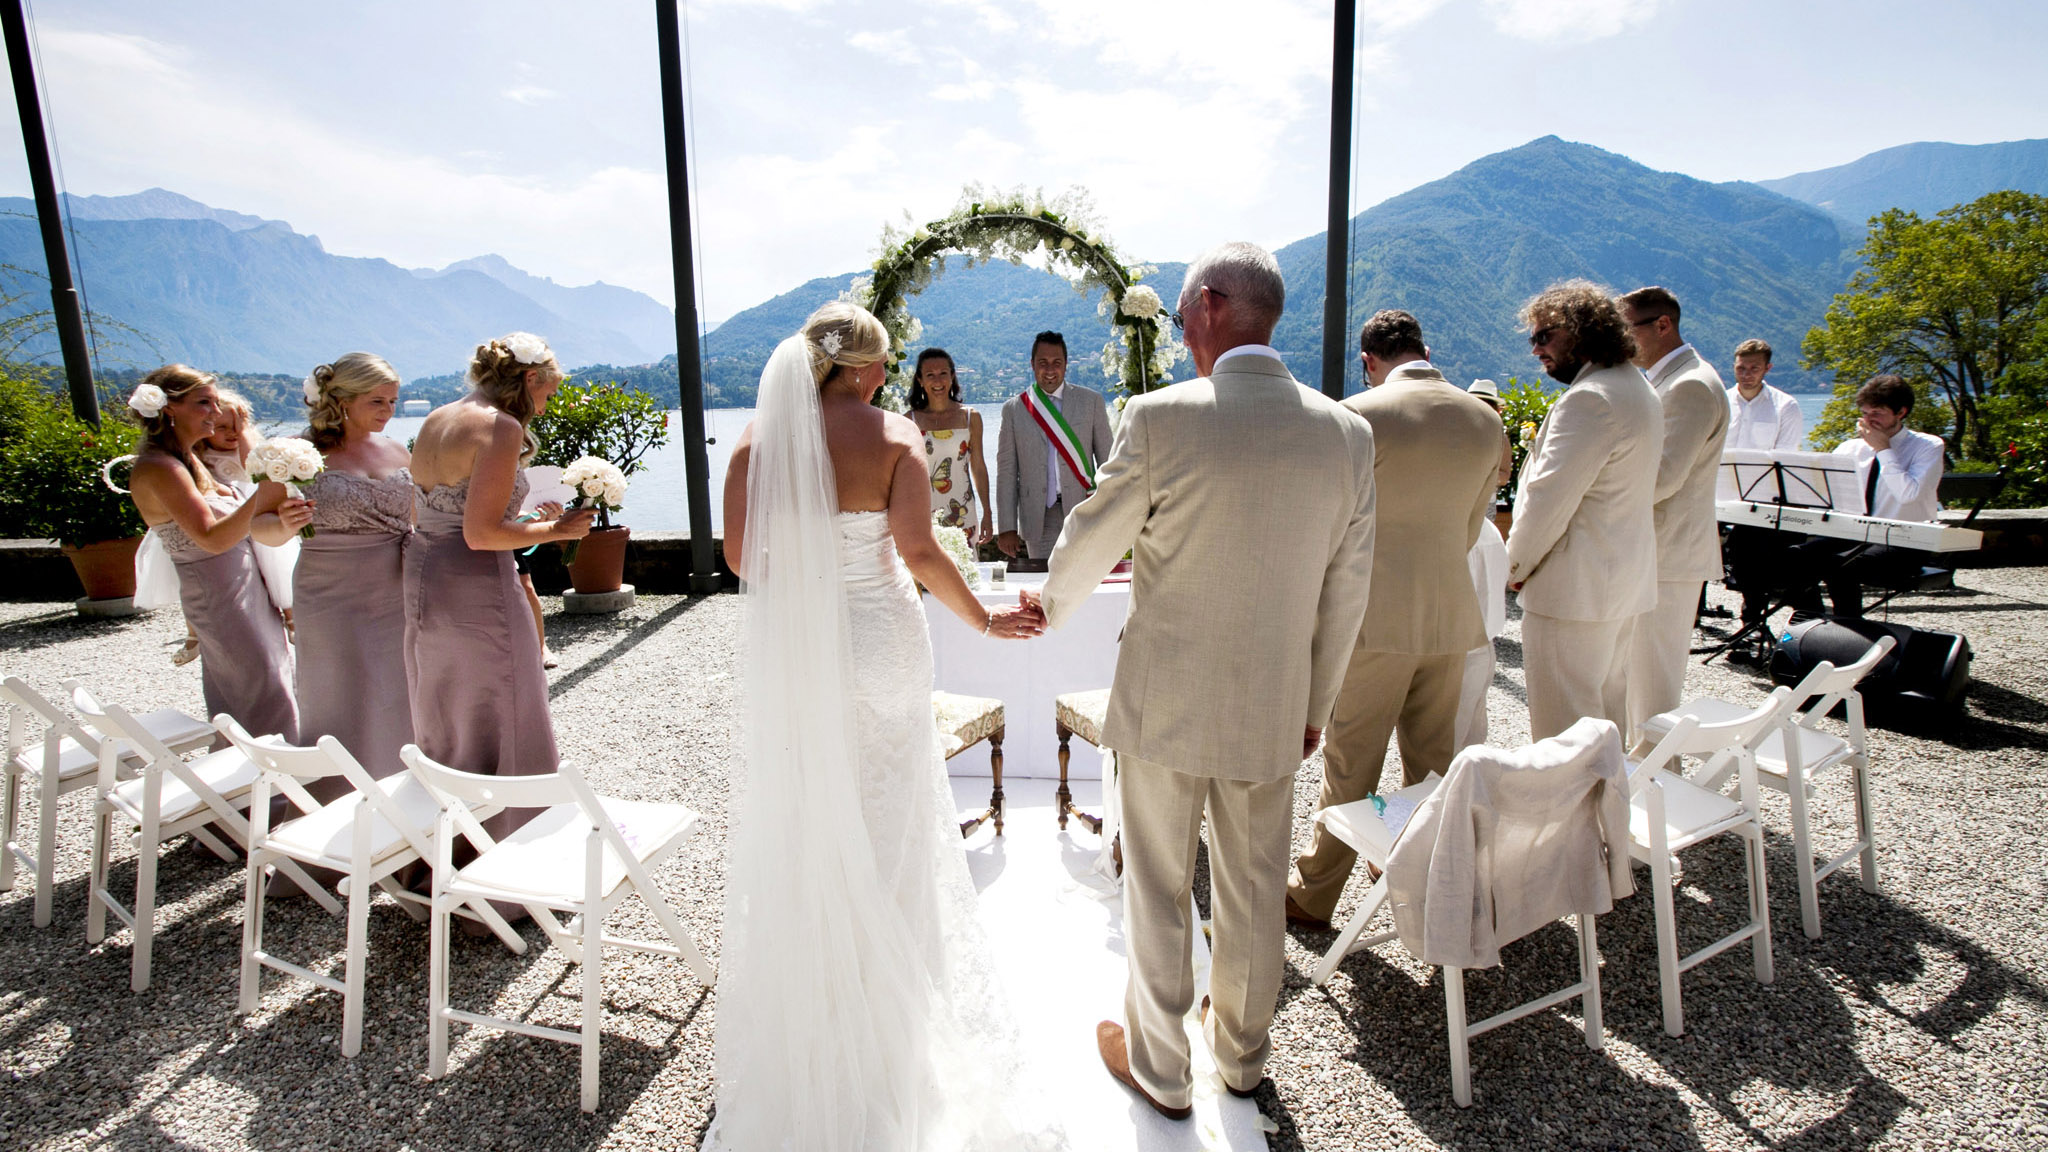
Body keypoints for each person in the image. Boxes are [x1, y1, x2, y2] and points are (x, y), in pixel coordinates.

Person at [1028, 243, 1376, 1116]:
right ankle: (1244, 1058)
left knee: (1155, 882)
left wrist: (1047, 607)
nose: (1180, 331)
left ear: (1214, 305)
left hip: (1164, 700)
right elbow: (1348, 589)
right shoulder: (1346, 434)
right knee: (1256, 884)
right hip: (1272, 703)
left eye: (1183, 315)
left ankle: (1161, 1068)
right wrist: (1315, 707)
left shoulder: (1160, 418)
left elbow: (1092, 534)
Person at [709, 302, 1053, 1150]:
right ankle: (897, 1013)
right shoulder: (895, 437)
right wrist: (984, 622)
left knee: (818, 809)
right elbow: (923, 553)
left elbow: (738, 559)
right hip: (884, 642)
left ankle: (826, 1001)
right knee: (893, 812)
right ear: (864, 368)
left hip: (810, 652)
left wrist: (809, 588)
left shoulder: (755, 442)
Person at [1286, 309, 1499, 931]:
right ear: (1425, 349)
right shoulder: (1484, 421)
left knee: (1351, 764)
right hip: (1451, 614)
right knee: (1433, 768)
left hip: (1373, 621)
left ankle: (1313, 893)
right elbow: (1469, 528)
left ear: (1368, 360)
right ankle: (1427, 878)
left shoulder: (1357, 416)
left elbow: (1327, 532)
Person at [404, 333, 591, 839]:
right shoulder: (500, 427)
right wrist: (558, 530)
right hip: (477, 584)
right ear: (530, 379)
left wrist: (529, 519)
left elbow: (446, 513)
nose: (547, 405)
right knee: (505, 705)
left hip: (426, 574)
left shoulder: (437, 418)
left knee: (448, 708)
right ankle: (514, 850)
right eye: (548, 393)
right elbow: (481, 533)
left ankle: (447, 847)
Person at [1506, 280, 1662, 741]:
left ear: (1580, 330)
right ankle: (1610, 812)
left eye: (1543, 336)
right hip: (1621, 585)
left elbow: (1547, 503)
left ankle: (1573, 814)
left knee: (1565, 736)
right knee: (1609, 721)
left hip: (1574, 592)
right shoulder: (1639, 388)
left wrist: (1515, 566)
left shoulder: (1590, 399)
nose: (1536, 350)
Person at [124, 365, 306, 744]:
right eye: (204, 402)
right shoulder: (161, 468)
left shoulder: (188, 461)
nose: (214, 411)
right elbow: (211, 538)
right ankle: (266, 796)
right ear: (169, 409)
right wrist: (266, 487)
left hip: (245, 592)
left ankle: (269, 793)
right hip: (220, 601)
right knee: (260, 697)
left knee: (273, 687)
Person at [291, 353, 416, 794]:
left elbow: (420, 518)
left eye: (393, 401)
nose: (388, 412)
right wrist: (282, 522)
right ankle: (330, 817)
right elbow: (260, 527)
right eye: (377, 401)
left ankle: (403, 816)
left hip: (396, 591)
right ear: (341, 400)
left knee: (397, 698)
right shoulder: (298, 454)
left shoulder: (398, 451)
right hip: (331, 596)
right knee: (338, 698)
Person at [1618, 287, 1729, 739]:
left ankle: (1658, 782)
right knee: (1633, 680)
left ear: (1663, 325)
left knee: (1652, 688)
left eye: (1629, 332)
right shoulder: (1673, 381)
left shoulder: (1690, 386)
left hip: (1668, 554)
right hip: (1658, 551)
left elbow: (1663, 478)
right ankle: (1637, 783)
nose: (1623, 343)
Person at [1788, 374, 1945, 618]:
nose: (1870, 420)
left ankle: (1848, 627)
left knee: (1839, 565)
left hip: (1906, 538)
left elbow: (1908, 495)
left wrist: (1883, 449)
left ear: (1901, 412)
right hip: (1855, 533)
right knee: (1796, 557)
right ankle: (1810, 622)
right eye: (1865, 413)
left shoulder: (1928, 446)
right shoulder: (1851, 447)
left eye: (1878, 413)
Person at [994, 331, 1113, 560]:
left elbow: (1108, 463)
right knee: (1043, 588)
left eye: (1056, 363)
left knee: (1084, 584)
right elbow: (1006, 473)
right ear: (1032, 364)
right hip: (1038, 517)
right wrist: (1007, 527)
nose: (1050, 370)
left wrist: (1109, 512)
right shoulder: (1014, 409)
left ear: (1066, 365)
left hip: (1084, 510)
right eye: (1043, 363)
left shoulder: (1091, 402)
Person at [198, 388, 297, 637]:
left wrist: (243, 431)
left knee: (275, 556)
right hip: (228, 516)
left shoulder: (245, 445)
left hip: (255, 507)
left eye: (236, 425)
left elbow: (251, 465)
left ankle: (291, 614)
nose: (232, 432)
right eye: (223, 427)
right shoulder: (202, 456)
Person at [1454, 379, 1513, 753]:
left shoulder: (1484, 535)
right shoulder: (1488, 536)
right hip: (1475, 639)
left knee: (1466, 722)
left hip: (1470, 642)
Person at [909, 347, 993, 546]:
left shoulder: (971, 418)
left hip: (962, 511)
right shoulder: (909, 421)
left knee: (966, 571)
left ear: (952, 376)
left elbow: (979, 467)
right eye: (930, 375)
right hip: (922, 513)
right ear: (920, 380)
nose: (938, 381)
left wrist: (987, 512)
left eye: (943, 374)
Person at [1726, 338, 1804, 451]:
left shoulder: (1786, 406)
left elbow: (1786, 455)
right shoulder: (1719, 403)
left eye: (1755, 368)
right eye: (1740, 368)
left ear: (1767, 368)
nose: (1746, 374)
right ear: (1734, 367)